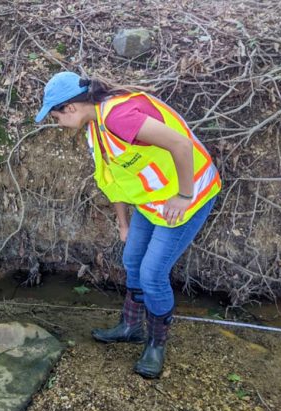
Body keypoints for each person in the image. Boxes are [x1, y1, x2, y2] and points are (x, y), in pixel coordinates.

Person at [35, 72, 221, 378]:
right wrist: (123, 223)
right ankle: (131, 326)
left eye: (55, 116)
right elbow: (114, 180)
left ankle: (156, 345)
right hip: (155, 199)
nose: (56, 123)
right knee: (132, 259)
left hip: (189, 195)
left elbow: (181, 144)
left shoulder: (118, 117)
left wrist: (184, 195)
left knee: (152, 274)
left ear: (70, 108)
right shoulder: (94, 127)